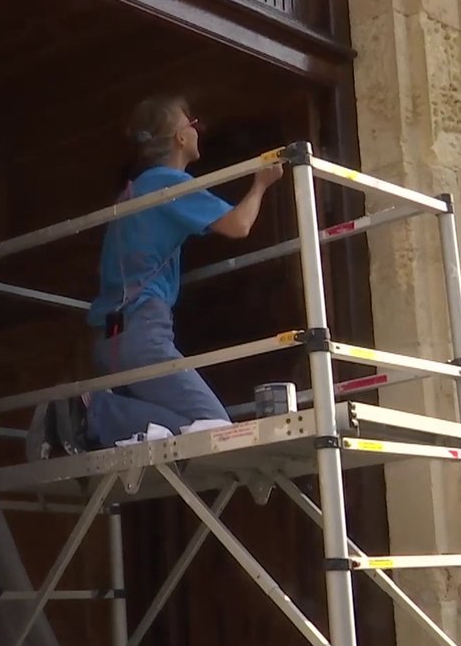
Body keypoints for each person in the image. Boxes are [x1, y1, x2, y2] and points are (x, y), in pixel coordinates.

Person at [27, 94, 283, 459]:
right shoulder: (170, 185)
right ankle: (91, 409)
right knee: (212, 428)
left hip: (114, 336)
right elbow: (239, 225)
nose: (198, 131)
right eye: (192, 124)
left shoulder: (137, 189)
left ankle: (91, 411)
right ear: (180, 137)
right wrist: (261, 184)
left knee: (177, 428)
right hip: (143, 331)